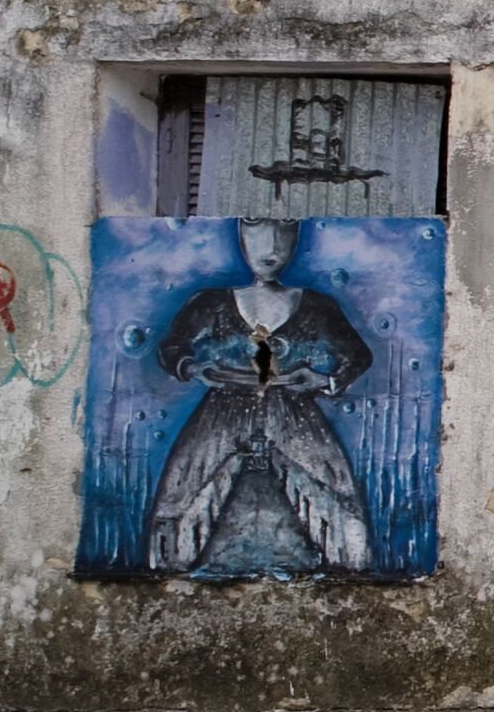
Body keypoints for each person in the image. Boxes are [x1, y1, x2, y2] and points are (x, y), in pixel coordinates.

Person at [143, 217, 375, 577]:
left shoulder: (317, 306)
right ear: (241, 237)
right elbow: (171, 348)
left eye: (284, 235)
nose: (272, 249)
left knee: (331, 495)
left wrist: (322, 381)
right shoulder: (210, 304)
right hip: (222, 415)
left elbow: (357, 356)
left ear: (295, 239)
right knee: (187, 491)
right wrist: (195, 369)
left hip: (294, 416)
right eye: (257, 233)